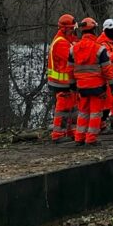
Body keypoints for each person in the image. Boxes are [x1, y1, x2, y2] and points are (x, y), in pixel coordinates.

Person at [72, 17, 113, 145]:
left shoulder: (74, 48)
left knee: (83, 113)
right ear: (94, 30)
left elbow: (69, 69)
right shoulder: (99, 48)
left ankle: (79, 138)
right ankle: (91, 139)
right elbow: (107, 69)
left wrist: (72, 84)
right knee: (95, 113)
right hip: (97, 87)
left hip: (81, 87)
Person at [46, 13, 79, 142]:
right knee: (63, 108)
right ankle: (58, 135)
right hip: (61, 82)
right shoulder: (61, 43)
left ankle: (71, 131)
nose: (73, 31)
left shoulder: (65, 40)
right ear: (65, 29)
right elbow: (73, 58)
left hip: (65, 81)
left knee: (71, 107)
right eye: (71, 29)